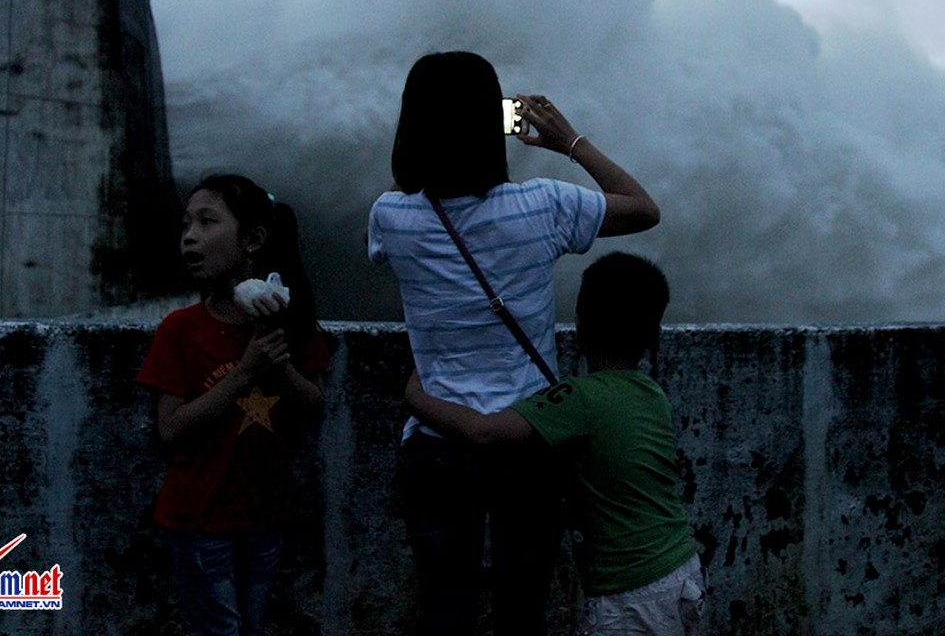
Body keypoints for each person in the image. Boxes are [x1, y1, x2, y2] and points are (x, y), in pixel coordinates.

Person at [367, 51, 660, 635]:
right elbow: (644, 209)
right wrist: (568, 140)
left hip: (436, 443)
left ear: (411, 124)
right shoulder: (546, 204)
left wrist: (430, 140)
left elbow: (408, 191)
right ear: (491, 124)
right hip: (529, 442)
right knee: (522, 614)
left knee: (445, 613)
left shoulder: (390, 216)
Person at [405, 252, 705, 636]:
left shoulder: (575, 400)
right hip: (680, 568)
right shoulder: (651, 394)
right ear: (655, 334)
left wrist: (416, 394)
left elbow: (483, 432)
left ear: (578, 325)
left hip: (631, 590)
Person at [137, 173, 329, 636]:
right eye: (186, 225)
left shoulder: (291, 322)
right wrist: (245, 373)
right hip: (200, 517)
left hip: (266, 514)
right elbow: (171, 429)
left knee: (252, 625)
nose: (190, 236)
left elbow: (314, 406)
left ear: (253, 240)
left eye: (207, 222)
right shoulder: (179, 330)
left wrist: (275, 364)